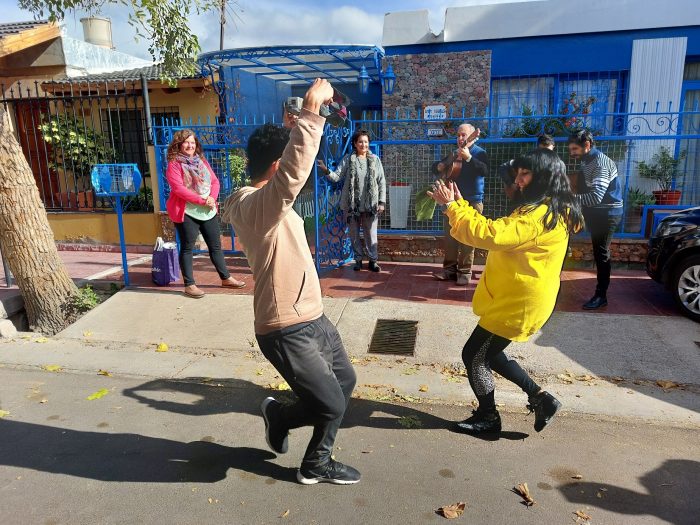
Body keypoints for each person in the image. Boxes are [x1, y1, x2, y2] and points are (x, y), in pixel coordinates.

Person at [221, 79, 360, 485]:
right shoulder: (253, 206)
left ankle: (317, 462)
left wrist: (300, 121)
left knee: (344, 383)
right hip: (285, 326)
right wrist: (312, 112)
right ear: (277, 165)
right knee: (329, 403)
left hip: (312, 314)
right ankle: (278, 415)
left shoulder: (265, 200)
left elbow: (288, 172)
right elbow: (291, 177)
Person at [427, 149, 584, 436]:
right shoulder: (546, 208)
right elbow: (497, 230)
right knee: (491, 353)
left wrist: (452, 207)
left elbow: (491, 235)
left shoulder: (538, 216)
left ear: (544, 177)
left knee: (474, 355)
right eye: (519, 174)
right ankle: (541, 398)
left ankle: (489, 418)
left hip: (519, 301)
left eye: (526, 174)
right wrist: (461, 206)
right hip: (518, 298)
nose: (519, 180)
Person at [165, 130, 245, 298]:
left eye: (193, 143)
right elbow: (178, 189)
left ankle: (226, 278)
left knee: (215, 246)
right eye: (186, 142)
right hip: (186, 211)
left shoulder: (201, 161)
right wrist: (202, 200)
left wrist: (211, 198)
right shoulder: (174, 164)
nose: (190, 146)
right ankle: (189, 285)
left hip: (207, 210)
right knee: (187, 247)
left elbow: (214, 181)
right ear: (179, 144)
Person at [567, 130, 623, 310]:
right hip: (597, 213)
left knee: (602, 254)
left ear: (587, 145)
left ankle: (601, 295)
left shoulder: (600, 163)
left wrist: (567, 199)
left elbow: (595, 197)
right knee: (599, 252)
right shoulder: (587, 161)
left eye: (575, 149)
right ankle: (600, 293)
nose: (572, 153)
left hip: (607, 214)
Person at [317, 129, 386, 272]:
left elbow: (381, 182)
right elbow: (337, 176)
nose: (363, 144)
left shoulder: (375, 160)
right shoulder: (348, 159)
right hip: (351, 205)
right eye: (360, 141)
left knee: (371, 234)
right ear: (355, 143)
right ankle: (358, 260)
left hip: (370, 205)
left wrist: (381, 202)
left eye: (366, 142)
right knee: (354, 234)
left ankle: (373, 261)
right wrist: (325, 169)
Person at [432, 123, 489, 285]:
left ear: (472, 137)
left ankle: (465, 272)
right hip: (453, 202)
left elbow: (485, 171)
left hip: (472, 201)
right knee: (450, 237)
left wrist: (469, 158)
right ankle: (449, 270)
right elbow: (437, 168)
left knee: (468, 237)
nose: (460, 138)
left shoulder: (480, 153)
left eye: (463, 135)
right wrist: (440, 165)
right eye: (458, 135)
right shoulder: (453, 153)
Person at [499, 134, 555, 200]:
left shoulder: (556, 164)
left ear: (553, 148)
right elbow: (503, 167)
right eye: (542, 151)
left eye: (549, 151)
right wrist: (510, 184)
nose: (546, 154)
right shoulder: (530, 159)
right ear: (537, 149)